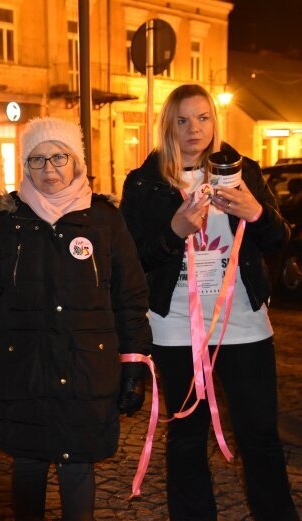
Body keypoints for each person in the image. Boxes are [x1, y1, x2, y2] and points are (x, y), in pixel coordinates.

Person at [120, 84, 299, 520]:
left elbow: (278, 240)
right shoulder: (145, 183)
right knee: (185, 436)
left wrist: (255, 212)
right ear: (168, 126)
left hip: (243, 323)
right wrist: (173, 233)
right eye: (182, 120)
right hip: (176, 326)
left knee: (259, 434)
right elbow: (132, 261)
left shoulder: (244, 172)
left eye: (202, 118)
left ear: (214, 123)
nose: (193, 129)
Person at [0, 117, 152, 521]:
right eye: (37, 159)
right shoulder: (8, 221)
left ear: (77, 162)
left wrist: (134, 366)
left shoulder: (105, 220)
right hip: (23, 366)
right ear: (25, 166)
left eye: (59, 157)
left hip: (88, 367)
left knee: (77, 461)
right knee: (28, 460)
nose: (49, 170)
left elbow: (130, 297)